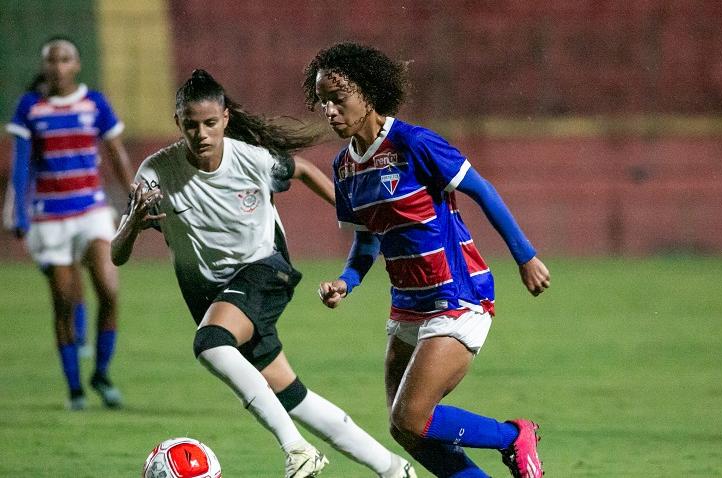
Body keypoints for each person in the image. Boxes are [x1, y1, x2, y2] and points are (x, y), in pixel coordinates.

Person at [111, 69, 417, 478]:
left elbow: (304, 171)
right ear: (178, 124)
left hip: (265, 271)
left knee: (211, 343)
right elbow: (117, 254)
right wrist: (132, 223)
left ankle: (297, 451)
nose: (201, 133)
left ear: (225, 119)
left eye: (209, 123)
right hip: (214, 296)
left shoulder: (252, 160)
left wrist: (357, 217)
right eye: (190, 125)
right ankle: (395, 469)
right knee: (293, 395)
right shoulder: (156, 172)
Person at [305, 42, 552, 478]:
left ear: (367, 94)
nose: (329, 110)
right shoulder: (344, 166)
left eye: (338, 98)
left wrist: (525, 256)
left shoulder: (414, 144)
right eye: (322, 100)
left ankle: (514, 436)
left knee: (413, 417)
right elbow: (366, 244)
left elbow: (482, 191)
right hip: (408, 304)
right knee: (406, 430)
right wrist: (346, 281)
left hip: (457, 295)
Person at [3, 36, 132, 410]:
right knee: (63, 303)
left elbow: (117, 154)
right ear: (45, 66)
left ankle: (102, 374)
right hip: (50, 217)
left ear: (77, 65)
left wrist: (137, 197)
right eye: (51, 60)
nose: (58, 66)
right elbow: (22, 164)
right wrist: (17, 209)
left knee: (109, 290)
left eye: (65, 59)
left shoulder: (95, 103)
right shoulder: (31, 106)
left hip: (92, 211)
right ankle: (75, 390)